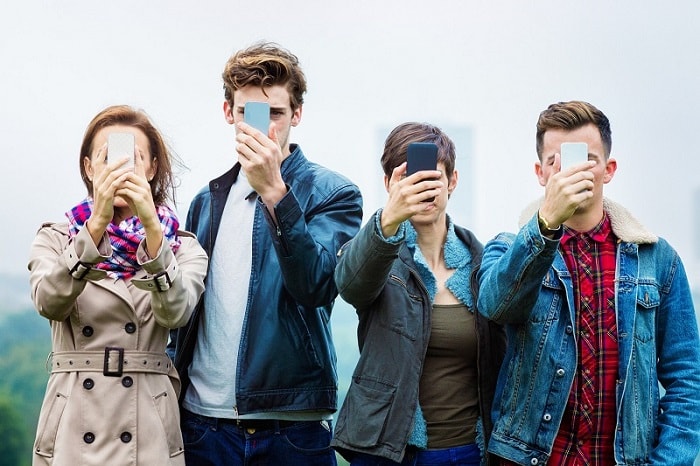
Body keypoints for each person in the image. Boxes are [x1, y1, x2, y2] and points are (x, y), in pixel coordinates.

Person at [168, 42, 363, 466]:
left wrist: (276, 192)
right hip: (203, 425)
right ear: (228, 113)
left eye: (275, 113)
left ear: (296, 115)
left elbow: (316, 285)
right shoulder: (206, 201)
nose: (262, 127)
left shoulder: (334, 194)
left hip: (290, 428)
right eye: (247, 113)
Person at [477, 100, 700, 465]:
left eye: (586, 159)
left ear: (609, 169)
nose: (571, 172)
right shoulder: (507, 248)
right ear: (540, 172)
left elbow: (686, 380)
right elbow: (496, 306)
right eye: (557, 162)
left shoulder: (658, 261)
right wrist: (546, 223)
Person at [29, 105, 208, 466]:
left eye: (133, 158)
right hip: (73, 420)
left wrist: (153, 233)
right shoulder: (56, 238)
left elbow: (176, 312)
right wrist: (95, 228)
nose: (119, 168)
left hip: (147, 422)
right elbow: (49, 302)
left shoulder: (181, 246)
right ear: (88, 168)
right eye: (107, 158)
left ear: (152, 168)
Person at [331, 122, 505, 466]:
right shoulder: (374, 253)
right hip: (389, 452)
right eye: (411, 179)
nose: (423, 190)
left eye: (433, 179)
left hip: (470, 452)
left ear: (453, 181)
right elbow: (351, 287)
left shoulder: (481, 261)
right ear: (389, 184)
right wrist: (389, 219)